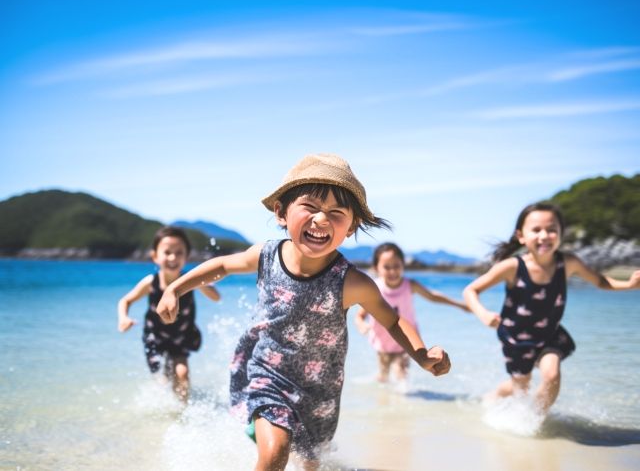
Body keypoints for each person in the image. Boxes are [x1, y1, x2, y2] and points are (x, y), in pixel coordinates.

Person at [155, 154, 451, 471]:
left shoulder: (352, 283)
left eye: (336, 213)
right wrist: (175, 289)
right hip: (266, 375)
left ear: (351, 227)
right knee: (275, 452)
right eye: (310, 207)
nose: (322, 220)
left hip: (319, 392)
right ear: (282, 212)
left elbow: (391, 320)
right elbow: (224, 265)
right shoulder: (266, 255)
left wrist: (420, 354)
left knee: (309, 465)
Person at [463, 202, 640, 414]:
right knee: (521, 386)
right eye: (536, 230)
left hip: (549, 333)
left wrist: (629, 285)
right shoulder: (512, 267)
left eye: (551, 230)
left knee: (551, 375)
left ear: (560, 234)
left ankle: (534, 420)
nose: (544, 235)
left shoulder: (568, 263)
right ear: (521, 236)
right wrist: (483, 314)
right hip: (515, 337)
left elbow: (600, 281)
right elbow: (470, 291)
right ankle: (492, 398)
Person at [117, 226, 221, 401]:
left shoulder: (190, 281)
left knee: (182, 372)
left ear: (186, 256)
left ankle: (183, 411)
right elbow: (125, 301)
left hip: (181, 336)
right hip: (155, 337)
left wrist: (200, 283)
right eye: (167, 252)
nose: (173, 257)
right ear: (155, 256)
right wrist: (123, 317)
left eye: (179, 252)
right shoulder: (150, 282)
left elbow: (216, 297)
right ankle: (165, 407)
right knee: (162, 379)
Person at [355, 242, 469, 385]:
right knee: (383, 376)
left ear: (403, 265)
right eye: (387, 267)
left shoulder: (410, 285)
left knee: (401, 377)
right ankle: (383, 401)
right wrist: (361, 325)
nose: (392, 271)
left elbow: (432, 296)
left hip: (407, 342)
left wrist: (459, 305)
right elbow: (360, 315)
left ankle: (401, 403)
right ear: (376, 268)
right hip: (382, 341)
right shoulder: (375, 288)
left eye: (396, 266)